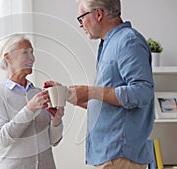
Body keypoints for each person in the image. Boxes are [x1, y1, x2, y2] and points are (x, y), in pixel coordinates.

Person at [46, 0, 154, 168]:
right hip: (110, 155)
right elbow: (111, 106)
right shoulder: (110, 43)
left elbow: (141, 92)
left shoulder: (127, 41)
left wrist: (91, 92)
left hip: (119, 156)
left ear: (98, 14)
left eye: (81, 18)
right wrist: (67, 94)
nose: (80, 24)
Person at [0, 34, 64, 169]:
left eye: (32, 52)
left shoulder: (38, 93)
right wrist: (29, 109)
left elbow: (53, 141)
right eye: (25, 52)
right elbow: (2, 139)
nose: (32, 58)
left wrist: (57, 120)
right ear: (8, 57)